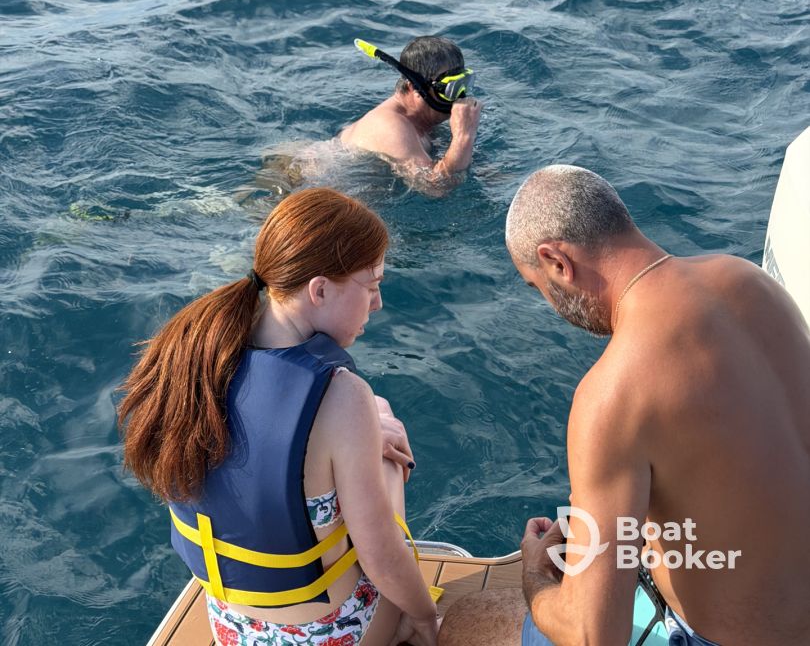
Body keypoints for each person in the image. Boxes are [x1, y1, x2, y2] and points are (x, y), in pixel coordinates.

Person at [439, 165, 810, 646]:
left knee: (467, 621)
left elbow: (594, 636)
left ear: (555, 262)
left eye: (537, 286)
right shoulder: (752, 281)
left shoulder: (611, 393)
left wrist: (535, 576)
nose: (549, 303)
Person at [118, 187, 439, 646]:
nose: (378, 303)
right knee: (384, 423)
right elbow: (381, 554)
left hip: (231, 626)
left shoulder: (197, 351)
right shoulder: (342, 394)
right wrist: (424, 618)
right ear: (319, 290)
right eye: (371, 286)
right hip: (327, 634)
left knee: (372, 421)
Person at [340, 36, 482, 190]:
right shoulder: (390, 126)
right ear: (414, 88)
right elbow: (435, 187)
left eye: (464, 83)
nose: (460, 96)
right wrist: (463, 136)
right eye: (451, 88)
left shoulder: (423, 119)